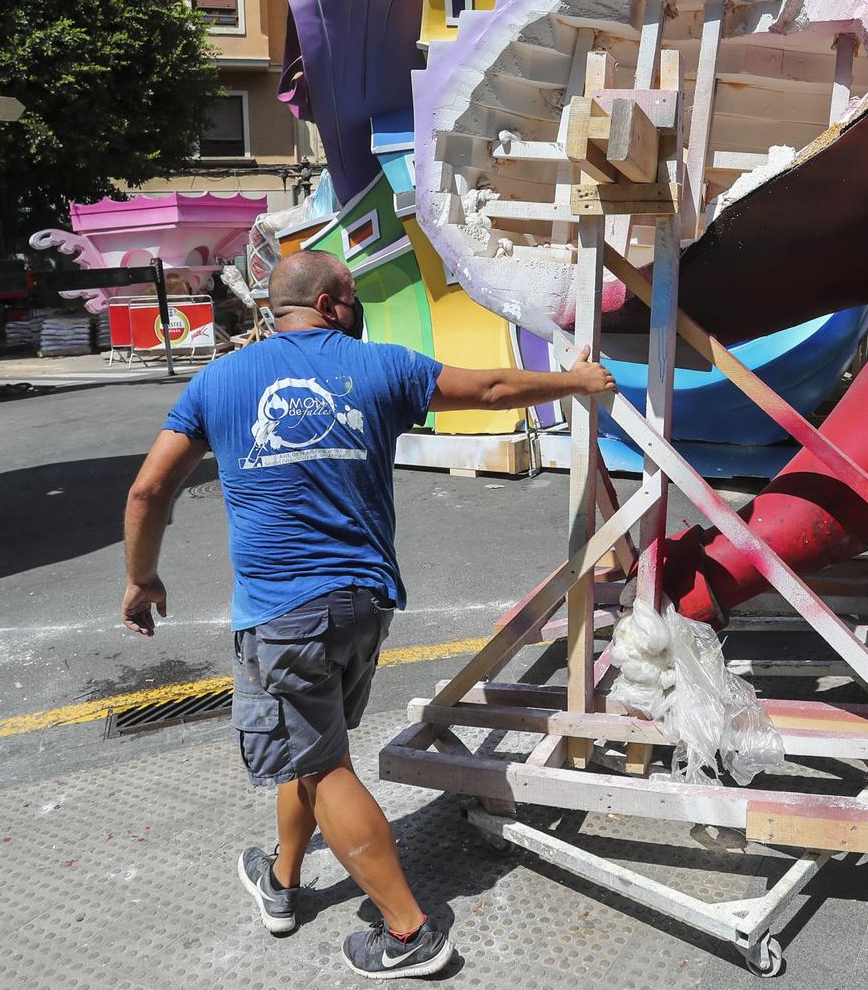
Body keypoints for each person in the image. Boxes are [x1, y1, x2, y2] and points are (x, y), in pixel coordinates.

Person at [120, 249, 615, 979]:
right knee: (314, 746)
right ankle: (283, 879)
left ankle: (409, 930)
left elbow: (147, 490)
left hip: (283, 613)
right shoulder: (380, 366)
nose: (359, 307)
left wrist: (142, 577)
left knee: (318, 761)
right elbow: (493, 387)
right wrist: (575, 381)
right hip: (363, 604)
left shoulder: (220, 380)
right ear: (326, 304)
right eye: (352, 296)